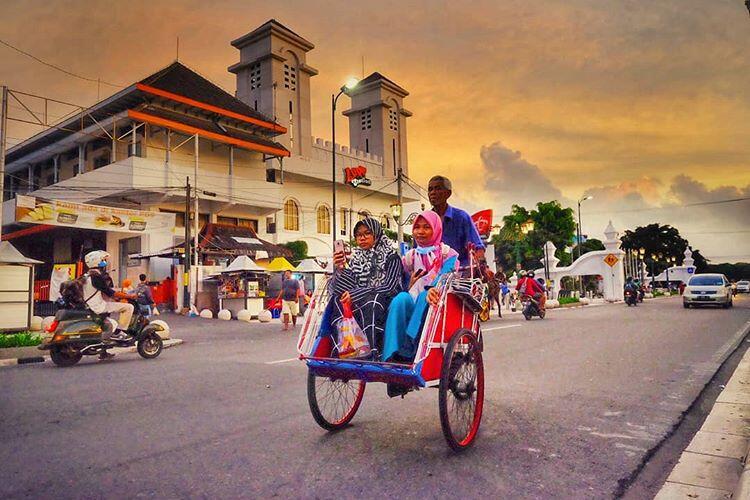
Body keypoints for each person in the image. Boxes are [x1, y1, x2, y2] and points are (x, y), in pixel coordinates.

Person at [383, 210, 459, 364]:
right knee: (400, 299)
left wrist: (433, 289)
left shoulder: (448, 254)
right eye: (417, 227)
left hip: (437, 303)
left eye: (426, 227)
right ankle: (390, 353)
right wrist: (409, 283)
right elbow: (401, 284)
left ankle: (409, 347)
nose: (420, 232)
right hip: (413, 300)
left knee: (426, 295)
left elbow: (446, 280)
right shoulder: (409, 257)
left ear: (436, 229)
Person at [330, 217, 403, 354]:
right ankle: (341, 348)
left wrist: (357, 294)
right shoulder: (356, 259)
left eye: (367, 233)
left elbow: (389, 287)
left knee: (373, 301)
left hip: (386, 300)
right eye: (358, 235)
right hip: (361, 299)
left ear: (376, 234)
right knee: (336, 300)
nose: (362, 238)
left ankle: (373, 351)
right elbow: (345, 286)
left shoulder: (392, 257)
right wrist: (340, 269)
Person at [82, 250, 135, 360]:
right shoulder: (96, 277)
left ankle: (104, 353)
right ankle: (121, 332)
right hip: (98, 306)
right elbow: (110, 292)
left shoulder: (86, 276)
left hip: (90, 306)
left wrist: (115, 297)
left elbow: (101, 292)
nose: (104, 263)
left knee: (109, 325)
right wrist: (130, 297)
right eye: (103, 260)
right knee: (128, 307)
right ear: (97, 261)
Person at [427, 175, 485, 267]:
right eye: (430, 189)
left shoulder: (462, 217)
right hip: (431, 276)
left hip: (459, 275)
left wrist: (479, 266)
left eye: (438, 189)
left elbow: (478, 248)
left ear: (448, 193)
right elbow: (416, 251)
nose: (433, 192)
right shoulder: (425, 220)